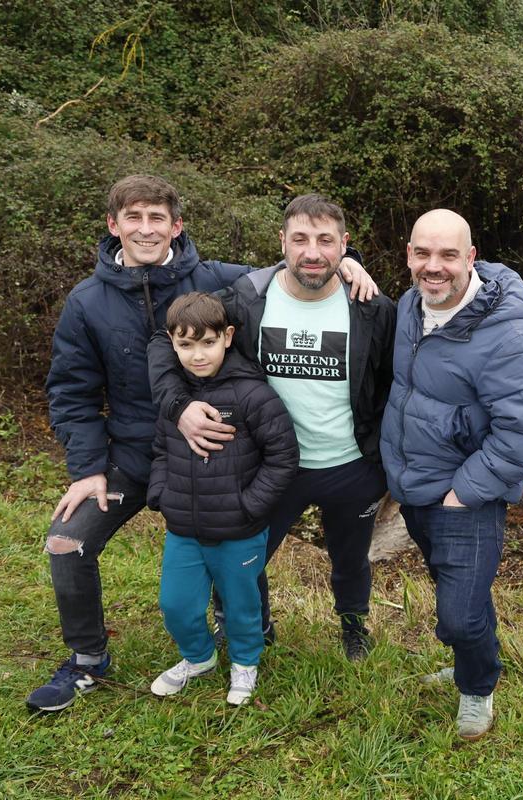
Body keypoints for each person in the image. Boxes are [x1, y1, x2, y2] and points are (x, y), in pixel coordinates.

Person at [30, 175, 376, 713]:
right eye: (134, 218)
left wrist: (347, 266)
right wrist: (87, 468)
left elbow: (299, 273)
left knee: (238, 547)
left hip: (218, 458)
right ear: (113, 225)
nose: (145, 230)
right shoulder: (86, 302)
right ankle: (86, 660)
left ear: (177, 226)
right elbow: (72, 391)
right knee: (66, 541)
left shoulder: (221, 280)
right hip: (131, 458)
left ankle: (249, 634)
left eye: (157, 218)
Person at [149, 194, 396, 662]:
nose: (312, 252)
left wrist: (391, 461)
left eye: (326, 241)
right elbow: (166, 342)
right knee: (247, 561)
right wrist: (178, 406)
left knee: (350, 559)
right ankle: (255, 629)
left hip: (352, 466)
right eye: (300, 239)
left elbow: (394, 384)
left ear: (345, 246)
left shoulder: (372, 308)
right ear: (282, 241)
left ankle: (352, 623)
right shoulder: (247, 300)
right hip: (270, 465)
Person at [380, 209, 523, 740]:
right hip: (414, 489)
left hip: (464, 498)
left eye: (448, 255)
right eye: (422, 253)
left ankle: (478, 687)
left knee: (458, 616)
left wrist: (464, 493)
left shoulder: (511, 334)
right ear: (408, 254)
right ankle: (469, 665)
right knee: (462, 594)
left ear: (471, 258)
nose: (434, 267)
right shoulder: (410, 306)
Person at [148, 293, 299, 705]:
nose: (197, 355)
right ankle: (198, 658)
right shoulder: (173, 399)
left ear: (227, 337)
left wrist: (248, 506)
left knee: (241, 605)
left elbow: (283, 458)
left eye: (207, 343)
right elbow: (162, 450)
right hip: (184, 529)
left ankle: (245, 664)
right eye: (185, 345)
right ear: (171, 343)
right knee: (175, 604)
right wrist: (161, 494)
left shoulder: (253, 395)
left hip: (239, 530)